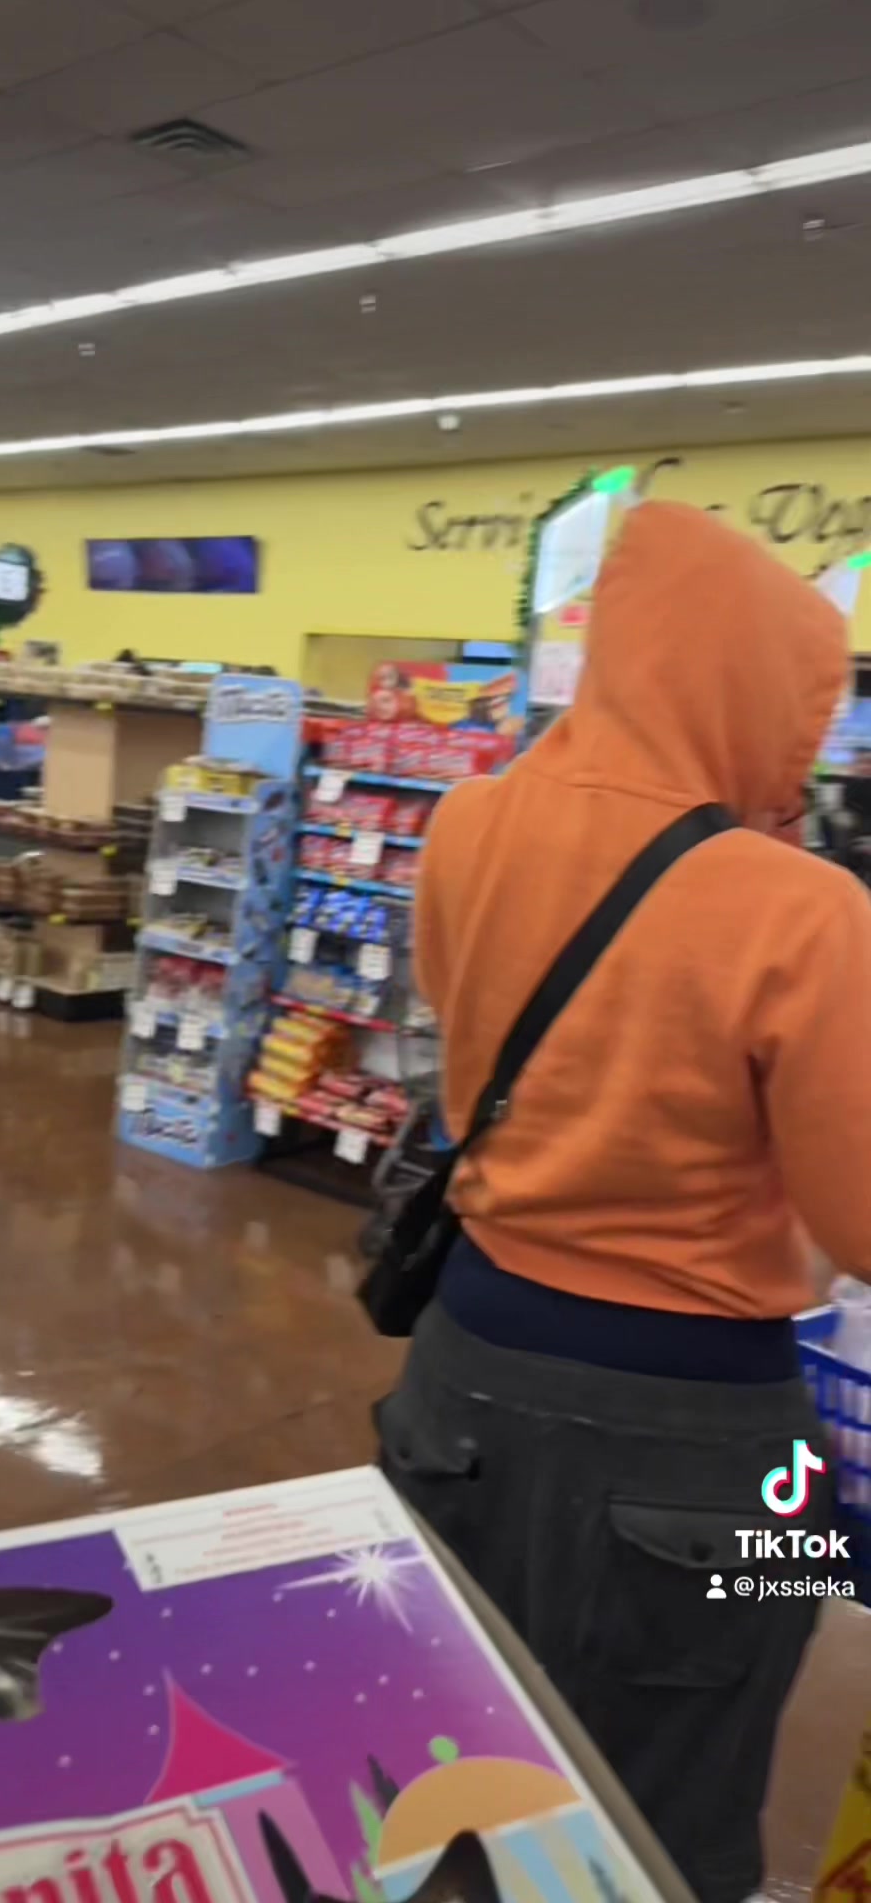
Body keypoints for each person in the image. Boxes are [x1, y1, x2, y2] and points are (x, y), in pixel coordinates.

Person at [376, 501, 871, 1903]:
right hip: (716, 1430)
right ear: (761, 689)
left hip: (461, 1366)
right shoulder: (802, 905)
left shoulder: (469, 821)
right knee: (684, 1776)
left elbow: (466, 1035)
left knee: (453, 1749)